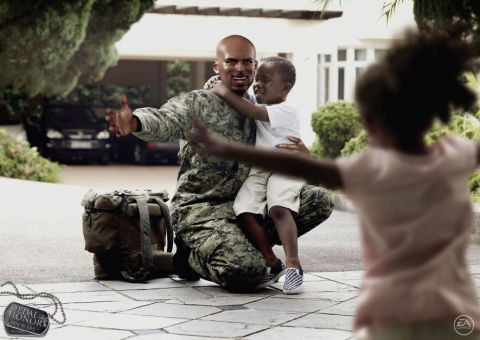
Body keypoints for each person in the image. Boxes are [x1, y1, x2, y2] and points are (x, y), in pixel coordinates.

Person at [192, 28, 480, 339]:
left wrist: (227, 147)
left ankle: (289, 265)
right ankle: (276, 263)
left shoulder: (369, 167)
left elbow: (290, 161)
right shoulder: (450, 157)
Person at [105, 35, 333, 292]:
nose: (240, 68)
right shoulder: (199, 103)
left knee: (320, 201)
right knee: (246, 270)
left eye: (247, 62)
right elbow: (167, 119)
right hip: (202, 210)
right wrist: (135, 122)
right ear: (217, 66)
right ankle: (189, 257)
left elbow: (283, 136)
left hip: (245, 207)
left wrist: (306, 156)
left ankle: (243, 247)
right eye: (231, 61)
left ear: (255, 65)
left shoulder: (259, 101)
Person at [207, 56, 305, 294]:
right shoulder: (260, 103)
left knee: (279, 207)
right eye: (257, 80)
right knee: (244, 210)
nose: (257, 84)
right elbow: (243, 101)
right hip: (260, 169)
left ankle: (293, 266)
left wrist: (221, 90)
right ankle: (273, 263)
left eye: (265, 81)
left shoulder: (286, 110)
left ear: (285, 88)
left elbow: (249, 110)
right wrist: (215, 83)